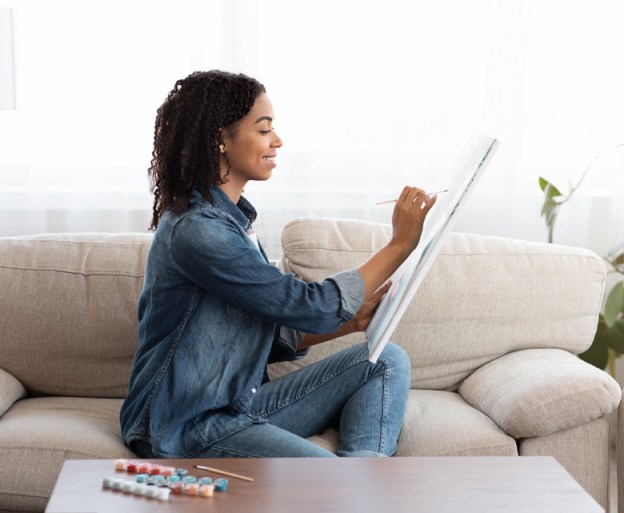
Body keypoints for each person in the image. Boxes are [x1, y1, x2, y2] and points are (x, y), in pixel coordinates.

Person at [120, 70, 436, 458]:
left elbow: (268, 335)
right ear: (221, 138)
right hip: (185, 425)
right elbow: (309, 306)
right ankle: (357, 487)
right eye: (264, 129)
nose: (278, 141)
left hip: (240, 406)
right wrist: (400, 244)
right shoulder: (199, 232)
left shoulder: (234, 221)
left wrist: (352, 323)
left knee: (385, 359)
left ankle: (361, 478)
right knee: (334, 483)